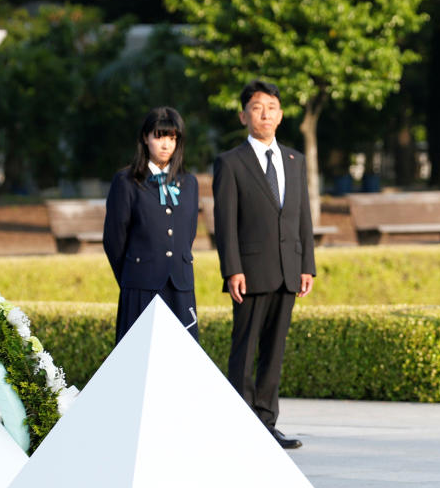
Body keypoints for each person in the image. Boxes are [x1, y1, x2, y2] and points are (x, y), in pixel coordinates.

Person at [213, 80, 315, 449]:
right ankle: (240, 423)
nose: (265, 114)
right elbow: (225, 223)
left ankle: (267, 423)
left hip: (289, 270)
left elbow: (302, 216)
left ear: (281, 114)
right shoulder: (230, 163)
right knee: (245, 348)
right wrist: (232, 269)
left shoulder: (294, 160)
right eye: (257, 107)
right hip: (251, 272)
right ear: (244, 115)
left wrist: (308, 265)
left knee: (274, 350)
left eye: (272, 107)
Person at [104, 107, 199, 344]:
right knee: (138, 360)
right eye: (159, 136)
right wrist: (133, 275)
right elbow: (114, 240)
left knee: (182, 360)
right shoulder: (126, 182)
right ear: (145, 138)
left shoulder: (189, 182)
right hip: (141, 286)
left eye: (171, 137)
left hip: (180, 286)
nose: (165, 144)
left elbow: (189, 233)